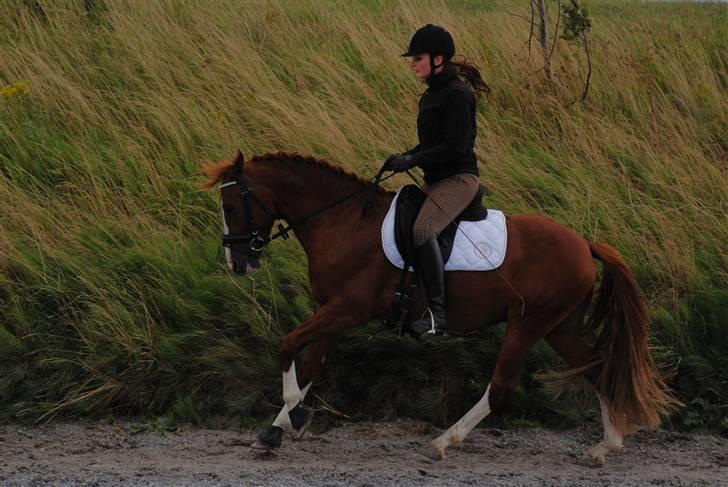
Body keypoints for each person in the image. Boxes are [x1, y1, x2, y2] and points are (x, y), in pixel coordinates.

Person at [386, 24, 490, 337]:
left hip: (459, 180)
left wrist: (414, 160)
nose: (412, 63)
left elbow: (455, 147)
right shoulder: (431, 95)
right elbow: (431, 145)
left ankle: (437, 315)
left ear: (439, 59)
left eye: (418, 57)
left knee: (422, 229)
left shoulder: (457, 94)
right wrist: (403, 157)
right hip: (437, 180)